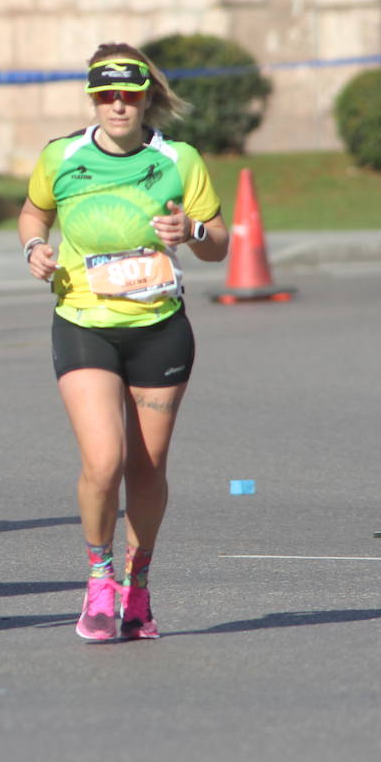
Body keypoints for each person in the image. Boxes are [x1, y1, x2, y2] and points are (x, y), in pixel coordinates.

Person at [18, 43, 229, 642]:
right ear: (93, 97)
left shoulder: (178, 160)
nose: (117, 105)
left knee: (147, 466)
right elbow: (33, 213)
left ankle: (138, 584)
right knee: (103, 460)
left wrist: (189, 230)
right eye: (105, 95)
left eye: (127, 94)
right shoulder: (62, 156)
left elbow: (220, 243)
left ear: (145, 98)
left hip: (159, 327)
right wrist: (33, 247)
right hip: (84, 320)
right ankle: (98, 577)